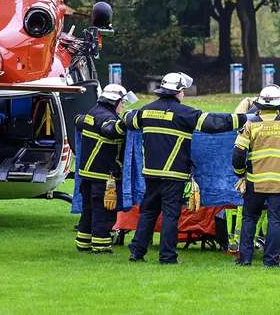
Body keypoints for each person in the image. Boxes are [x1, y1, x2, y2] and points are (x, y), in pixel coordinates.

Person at [123, 72, 246, 264]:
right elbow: (214, 124)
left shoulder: (146, 111)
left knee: (148, 212)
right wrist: (244, 118)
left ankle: (136, 253)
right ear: (178, 91)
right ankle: (167, 257)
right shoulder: (185, 113)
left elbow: (128, 119)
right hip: (174, 175)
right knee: (170, 215)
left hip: (150, 173)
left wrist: (127, 113)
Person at [232, 85, 280, 267]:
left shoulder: (250, 124)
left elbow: (238, 153)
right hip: (279, 184)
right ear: (279, 104)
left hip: (254, 183)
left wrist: (240, 174)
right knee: (275, 221)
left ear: (259, 103)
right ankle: (271, 261)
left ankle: (244, 259)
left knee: (249, 219)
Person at [74, 84, 134, 253]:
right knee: (104, 212)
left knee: (88, 210)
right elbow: (110, 129)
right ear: (115, 101)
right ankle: (101, 246)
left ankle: (83, 243)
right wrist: (128, 120)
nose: (123, 106)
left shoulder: (92, 113)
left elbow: (77, 120)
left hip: (87, 174)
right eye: (122, 102)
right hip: (103, 176)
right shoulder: (107, 118)